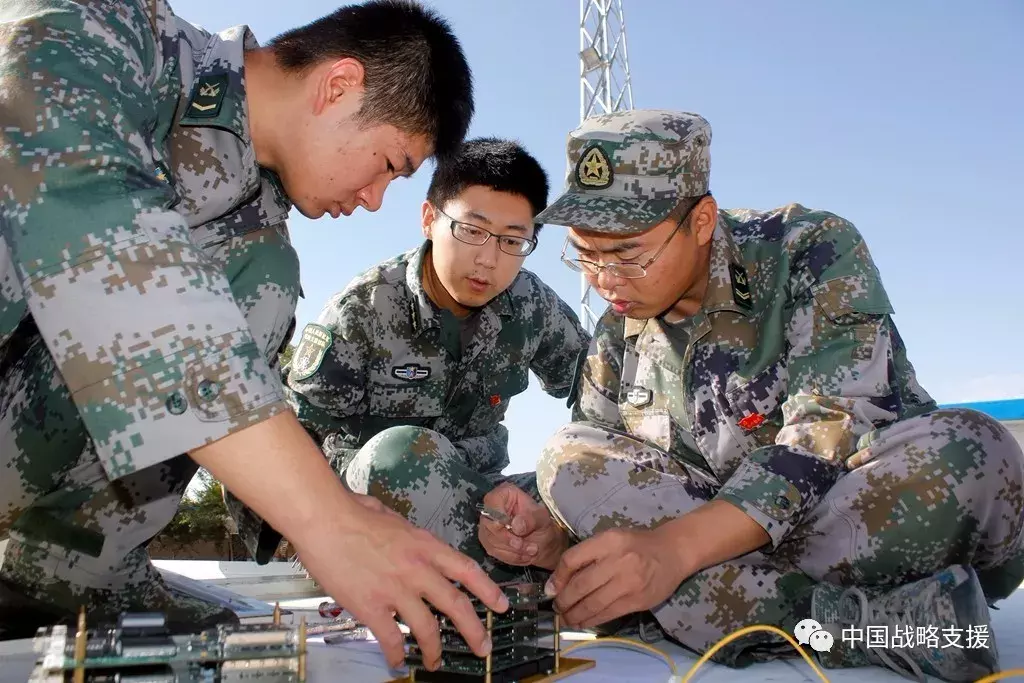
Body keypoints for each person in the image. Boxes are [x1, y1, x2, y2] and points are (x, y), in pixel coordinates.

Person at [0, 0, 511, 671]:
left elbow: (234, 387)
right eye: (390, 162)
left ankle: (67, 567)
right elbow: (92, 225)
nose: (374, 199)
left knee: (260, 274)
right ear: (337, 86)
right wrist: (326, 518)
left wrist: (339, 515)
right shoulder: (106, 27)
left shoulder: (255, 222)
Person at [476, 109, 1024, 682]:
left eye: (628, 254)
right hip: (725, 536)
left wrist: (673, 554)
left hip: (853, 508)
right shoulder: (617, 332)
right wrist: (555, 530)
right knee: (566, 458)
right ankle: (861, 623)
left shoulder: (808, 249)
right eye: (584, 254)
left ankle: (691, 606)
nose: (604, 278)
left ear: (703, 220)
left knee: (972, 453)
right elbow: (611, 466)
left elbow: (825, 433)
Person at [245, 137, 590, 579]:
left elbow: (600, 388)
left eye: (512, 241)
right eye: (471, 230)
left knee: (595, 487)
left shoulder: (530, 304)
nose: (488, 259)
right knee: (400, 457)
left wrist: (560, 484)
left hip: (487, 501)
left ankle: (525, 569)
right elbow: (295, 445)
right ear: (429, 219)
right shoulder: (362, 311)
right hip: (372, 515)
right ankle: (527, 580)